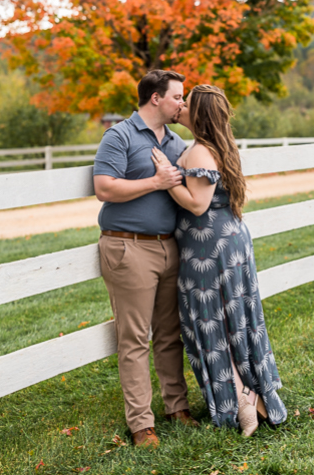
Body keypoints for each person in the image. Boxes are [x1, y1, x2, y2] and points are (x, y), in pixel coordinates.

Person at [152, 84, 287, 436]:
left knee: (210, 319)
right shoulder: (216, 146)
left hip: (208, 250)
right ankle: (255, 398)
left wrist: (167, 176)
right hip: (228, 243)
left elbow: (197, 204)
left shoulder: (199, 152)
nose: (180, 106)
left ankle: (242, 398)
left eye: (187, 103)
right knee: (232, 320)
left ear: (199, 115)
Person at [93, 69, 200, 449]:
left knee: (171, 335)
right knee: (135, 339)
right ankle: (142, 425)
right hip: (129, 248)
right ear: (155, 97)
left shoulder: (175, 142)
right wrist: (156, 182)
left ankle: (177, 407)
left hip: (169, 247)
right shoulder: (119, 135)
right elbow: (104, 187)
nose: (181, 104)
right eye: (177, 97)